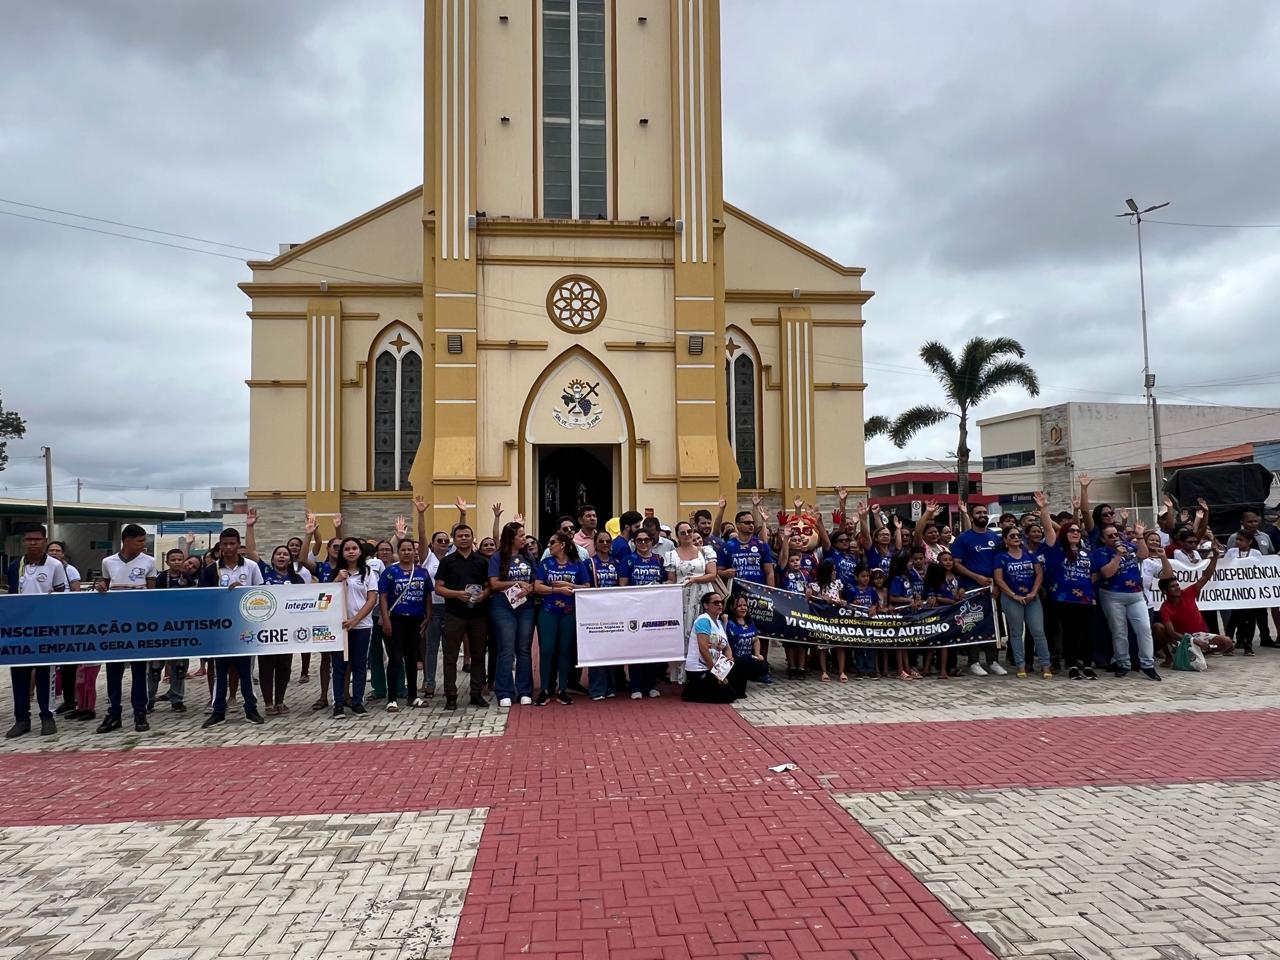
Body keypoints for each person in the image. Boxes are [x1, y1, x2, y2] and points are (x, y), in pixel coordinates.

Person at [5, 524, 68, 738]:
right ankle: (21, 719)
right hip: (20, 631)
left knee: (45, 674)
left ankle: (47, 717)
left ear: (44, 540)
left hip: (46, 629)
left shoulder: (55, 565)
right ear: (24, 541)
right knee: (19, 675)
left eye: (37, 539)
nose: (32, 543)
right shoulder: (15, 566)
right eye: (28, 539)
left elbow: (63, 596)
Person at [200, 527, 267, 727]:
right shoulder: (212, 570)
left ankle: (251, 709)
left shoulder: (251, 567)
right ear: (219, 546)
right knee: (219, 670)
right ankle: (218, 711)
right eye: (225, 544)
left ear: (239, 546)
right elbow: (202, 598)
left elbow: (261, 593)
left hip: (244, 625)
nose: (228, 548)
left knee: (245, 670)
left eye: (232, 544)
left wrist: (243, 591)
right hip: (220, 628)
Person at [96, 524, 158, 734]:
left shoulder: (149, 562)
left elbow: (152, 594)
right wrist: (101, 588)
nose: (143, 545)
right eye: (139, 541)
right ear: (127, 540)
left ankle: (140, 712)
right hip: (114, 625)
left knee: (139, 670)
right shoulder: (108, 562)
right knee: (114, 671)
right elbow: (104, 587)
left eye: (144, 541)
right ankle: (114, 713)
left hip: (138, 625)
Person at [1036, 493, 1097, 680]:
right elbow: (1048, 530)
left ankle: (1087, 664)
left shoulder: (1087, 553)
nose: (1076, 533)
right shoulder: (1057, 549)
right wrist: (1044, 509)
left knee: (1087, 632)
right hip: (1064, 598)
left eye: (1078, 531)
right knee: (1070, 632)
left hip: (1086, 598)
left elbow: (1094, 574)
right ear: (1065, 534)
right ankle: (1071, 665)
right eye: (1071, 531)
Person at [1092, 522, 1161, 680]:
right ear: (1103, 539)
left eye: (1116, 534)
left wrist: (1140, 536)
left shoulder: (1128, 546)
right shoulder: (1101, 553)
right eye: (1110, 536)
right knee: (1119, 631)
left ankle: (1147, 664)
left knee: (1144, 628)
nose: (1115, 537)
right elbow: (1107, 573)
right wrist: (1117, 556)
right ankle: (1123, 663)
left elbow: (1143, 555)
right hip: (1112, 595)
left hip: (1136, 595)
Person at [434, 523, 491, 710]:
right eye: (460, 536)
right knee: (450, 657)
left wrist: (485, 593)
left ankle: (476, 694)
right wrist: (457, 594)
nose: (464, 538)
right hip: (454, 614)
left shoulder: (482, 561)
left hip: (478, 614)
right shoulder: (447, 561)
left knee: (478, 655)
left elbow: (489, 584)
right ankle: (451, 695)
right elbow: (439, 588)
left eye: (467, 535)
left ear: (472, 538)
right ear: (455, 539)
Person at [949, 503, 1007, 677]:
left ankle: (993, 660)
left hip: (993, 588)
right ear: (972, 516)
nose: (982, 515)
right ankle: (973, 661)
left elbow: (1000, 562)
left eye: (984, 512)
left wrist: (997, 584)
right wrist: (976, 577)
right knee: (973, 624)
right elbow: (956, 564)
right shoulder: (963, 538)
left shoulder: (994, 537)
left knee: (994, 625)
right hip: (972, 589)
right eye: (978, 512)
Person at [534, 531, 590, 706]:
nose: (549, 546)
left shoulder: (577, 564)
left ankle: (563, 689)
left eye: (552, 542)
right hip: (548, 611)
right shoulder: (546, 564)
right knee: (547, 650)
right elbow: (537, 586)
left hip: (569, 612)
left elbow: (586, 586)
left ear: (562, 545)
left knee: (565, 650)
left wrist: (569, 585)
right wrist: (556, 590)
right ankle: (544, 689)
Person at [378, 538, 431, 711]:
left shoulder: (422, 572)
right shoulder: (390, 572)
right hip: (396, 619)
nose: (407, 552)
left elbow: (428, 595)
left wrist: (428, 615)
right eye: (403, 550)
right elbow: (383, 597)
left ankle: (413, 696)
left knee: (412, 658)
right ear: (398, 552)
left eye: (410, 549)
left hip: (415, 619)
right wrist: (385, 619)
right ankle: (391, 698)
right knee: (395, 658)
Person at [252, 543, 305, 714]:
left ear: (290, 559)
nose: (282, 556)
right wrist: (250, 526)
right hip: (265, 628)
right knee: (266, 666)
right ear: (273, 558)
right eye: (278, 554)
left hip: (288, 630)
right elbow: (252, 552)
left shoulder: (297, 579)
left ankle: (280, 701)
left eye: (285, 554)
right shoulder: (264, 573)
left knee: (284, 666)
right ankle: (268, 703)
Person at [993, 526, 1052, 679]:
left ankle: (1046, 664)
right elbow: (999, 579)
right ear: (1005, 540)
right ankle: (1020, 664)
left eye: (1018, 535)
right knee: (1016, 632)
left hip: (1032, 598)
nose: (1016, 538)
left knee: (1038, 631)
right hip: (1011, 598)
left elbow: (1039, 574)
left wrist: (1033, 592)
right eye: (1012, 536)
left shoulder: (1030, 555)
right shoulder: (1001, 557)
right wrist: (1013, 595)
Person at [488, 519, 534, 708]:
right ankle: (504, 691)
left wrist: (529, 588)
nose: (525, 539)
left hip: (525, 606)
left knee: (523, 649)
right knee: (506, 649)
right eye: (521, 536)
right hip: (502, 606)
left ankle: (524, 690)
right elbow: (494, 584)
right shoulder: (497, 558)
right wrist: (515, 584)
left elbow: (534, 581)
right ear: (511, 538)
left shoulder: (529, 557)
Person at [1158, 544, 1235, 657]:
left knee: (1227, 641)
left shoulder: (1188, 593)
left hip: (1200, 634)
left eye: (1177, 585)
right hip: (1183, 637)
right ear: (1165, 591)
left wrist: (1214, 558)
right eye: (1173, 587)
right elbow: (1171, 632)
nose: (1177, 588)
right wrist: (1193, 641)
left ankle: (1205, 651)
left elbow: (1206, 576)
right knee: (1157, 627)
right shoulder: (1165, 608)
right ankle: (1170, 657)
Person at [665, 521, 720, 671]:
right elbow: (671, 578)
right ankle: (686, 673)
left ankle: (711, 668)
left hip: (704, 597)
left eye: (689, 531)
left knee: (707, 633)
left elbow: (712, 574)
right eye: (683, 533)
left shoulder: (706, 551)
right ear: (677, 536)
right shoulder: (671, 554)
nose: (687, 535)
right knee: (685, 635)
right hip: (683, 599)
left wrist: (695, 579)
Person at [620, 527, 666, 698]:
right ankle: (636, 686)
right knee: (635, 647)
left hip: (654, 609)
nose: (643, 543)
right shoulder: (628, 560)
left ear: (652, 542)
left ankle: (652, 684)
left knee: (652, 647)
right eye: (639, 540)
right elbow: (623, 585)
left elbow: (665, 581)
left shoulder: (659, 560)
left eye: (647, 540)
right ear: (634, 542)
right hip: (635, 609)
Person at [152, 546, 198, 713]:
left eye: (180, 559)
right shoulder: (160, 578)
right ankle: (149, 698)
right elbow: (154, 598)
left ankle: (176, 698)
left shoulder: (187, 578)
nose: (177, 562)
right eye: (173, 560)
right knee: (155, 665)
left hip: (181, 626)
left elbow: (194, 599)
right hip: (162, 626)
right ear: (167, 562)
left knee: (179, 665)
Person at [414, 497, 449, 699]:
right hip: (432, 609)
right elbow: (421, 536)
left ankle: (449, 683)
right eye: (439, 541)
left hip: (451, 608)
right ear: (433, 544)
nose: (443, 543)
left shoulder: (452, 558)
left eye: (446, 541)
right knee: (431, 648)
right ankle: (429, 683)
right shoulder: (428, 558)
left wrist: (462, 514)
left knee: (450, 650)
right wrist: (421, 514)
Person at [587, 531, 625, 701]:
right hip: (594, 612)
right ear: (595, 544)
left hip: (614, 611)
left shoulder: (617, 563)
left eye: (607, 541)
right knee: (596, 650)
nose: (604, 544)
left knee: (612, 650)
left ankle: (611, 686)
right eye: (601, 541)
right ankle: (596, 688)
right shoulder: (589, 563)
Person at [45, 540, 81, 715]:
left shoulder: (70, 570)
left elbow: (76, 594)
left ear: (63, 553)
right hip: (47, 619)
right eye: (51, 550)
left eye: (57, 550)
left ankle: (70, 701)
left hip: (66, 620)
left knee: (68, 665)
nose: (54, 553)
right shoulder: (42, 569)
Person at [681, 593, 738, 703]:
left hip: (715, 667)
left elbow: (727, 647)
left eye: (721, 602)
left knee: (741, 667)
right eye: (716, 603)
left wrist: (728, 661)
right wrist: (716, 673)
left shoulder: (719, 623)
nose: (720, 605)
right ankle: (691, 691)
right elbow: (703, 649)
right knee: (729, 695)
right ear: (706, 605)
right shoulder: (703, 621)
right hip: (701, 668)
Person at [1223, 531, 1264, 654]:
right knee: (1233, 619)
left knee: (1251, 620)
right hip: (1235, 591)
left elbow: (1262, 569)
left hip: (1250, 592)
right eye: (1237, 539)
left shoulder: (1256, 553)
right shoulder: (1231, 552)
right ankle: (1228, 645)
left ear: (1250, 542)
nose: (1237, 542)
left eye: (1241, 540)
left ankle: (1248, 645)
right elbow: (1225, 567)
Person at [808, 559, 848, 682]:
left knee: (839, 644)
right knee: (823, 646)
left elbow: (840, 597)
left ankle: (842, 671)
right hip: (823, 619)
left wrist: (842, 602)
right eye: (833, 570)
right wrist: (821, 598)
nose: (835, 572)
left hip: (836, 618)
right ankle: (824, 671)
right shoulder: (816, 585)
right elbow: (811, 600)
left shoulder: (837, 584)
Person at [723, 592, 768, 697]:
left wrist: (757, 654)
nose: (743, 608)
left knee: (763, 666)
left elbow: (756, 640)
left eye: (745, 605)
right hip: (733, 659)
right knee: (741, 664)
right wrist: (724, 621)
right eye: (739, 606)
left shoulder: (749, 620)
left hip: (748, 657)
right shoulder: (726, 621)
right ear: (731, 607)